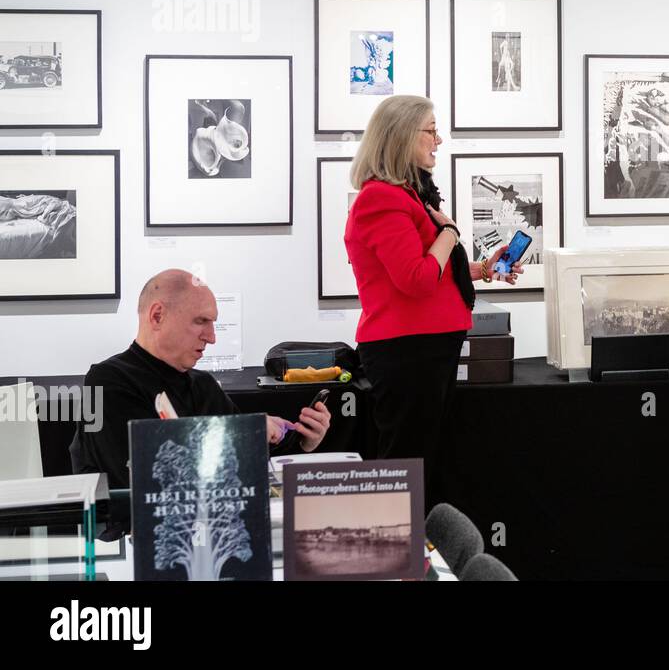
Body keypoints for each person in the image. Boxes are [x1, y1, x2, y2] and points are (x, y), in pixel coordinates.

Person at [345, 95, 523, 511]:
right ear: (403, 135)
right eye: (431, 130)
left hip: (426, 349)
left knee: (425, 464)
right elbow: (416, 279)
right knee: (407, 466)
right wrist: (451, 233)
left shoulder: (409, 194)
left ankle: (416, 561)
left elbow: (429, 271)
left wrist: (480, 268)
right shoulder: (381, 199)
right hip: (408, 352)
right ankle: (398, 566)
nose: (438, 140)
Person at [71, 269, 331, 489]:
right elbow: (135, 476)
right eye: (200, 321)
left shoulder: (203, 385)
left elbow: (251, 456)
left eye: (213, 323)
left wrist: (304, 440)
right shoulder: (107, 381)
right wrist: (244, 432)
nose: (211, 336)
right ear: (157, 316)